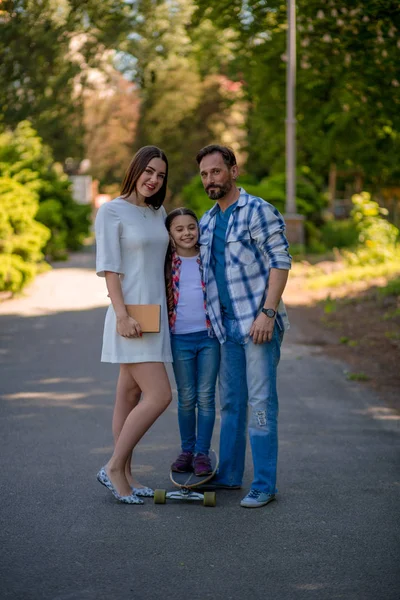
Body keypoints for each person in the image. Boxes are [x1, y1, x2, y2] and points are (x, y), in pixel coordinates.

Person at [196, 144, 292, 508]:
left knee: (261, 401)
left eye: (216, 171)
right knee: (231, 403)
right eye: (205, 174)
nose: (210, 179)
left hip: (258, 325)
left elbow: (280, 261)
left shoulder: (257, 211)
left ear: (233, 171)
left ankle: (264, 483)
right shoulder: (206, 221)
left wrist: (267, 313)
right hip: (226, 329)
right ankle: (230, 476)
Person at [94, 146, 173, 504]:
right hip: (132, 315)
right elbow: (110, 268)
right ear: (136, 169)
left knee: (129, 394)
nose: (153, 179)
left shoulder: (159, 214)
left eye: (160, 175)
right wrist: (122, 315)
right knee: (160, 395)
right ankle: (113, 467)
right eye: (149, 171)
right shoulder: (112, 211)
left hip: (155, 314)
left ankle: (125, 473)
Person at [164, 208, 220, 476]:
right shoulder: (166, 263)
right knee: (186, 398)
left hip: (209, 337)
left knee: (206, 397)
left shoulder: (209, 257)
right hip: (179, 338)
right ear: (170, 235)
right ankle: (186, 450)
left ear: (198, 229)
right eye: (179, 229)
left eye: (191, 227)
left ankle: (202, 453)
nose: (186, 233)